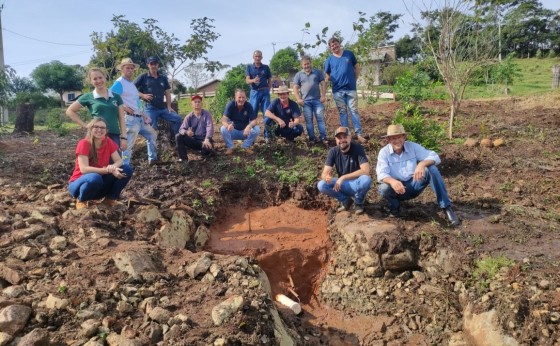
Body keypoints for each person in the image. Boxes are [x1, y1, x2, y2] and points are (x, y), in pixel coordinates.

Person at [376, 124, 460, 226]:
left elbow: (434, 156)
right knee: (384, 187)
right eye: (393, 138)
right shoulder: (384, 153)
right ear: (388, 140)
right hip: (396, 189)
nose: (397, 140)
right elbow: (381, 173)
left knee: (431, 169)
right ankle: (395, 207)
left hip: (413, 184)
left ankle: (446, 208)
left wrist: (422, 164)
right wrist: (392, 181)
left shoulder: (412, 147)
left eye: (399, 137)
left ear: (404, 137)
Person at [68, 117, 133, 209]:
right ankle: (81, 200)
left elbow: (119, 161)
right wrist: (108, 170)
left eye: (102, 128)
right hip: (79, 184)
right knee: (94, 177)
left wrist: (113, 167)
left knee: (126, 169)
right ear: (91, 129)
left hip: (98, 185)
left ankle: (110, 199)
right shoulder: (84, 143)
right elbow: (84, 169)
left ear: (106, 131)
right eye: (96, 127)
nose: (99, 130)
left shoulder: (108, 142)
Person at [109, 58, 158, 166]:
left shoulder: (131, 84)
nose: (130, 70)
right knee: (127, 146)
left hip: (139, 118)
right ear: (122, 69)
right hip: (130, 119)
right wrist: (124, 107)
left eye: (132, 68)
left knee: (152, 134)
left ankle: (153, 159)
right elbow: (110, 98)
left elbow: (136, 101)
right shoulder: (119, 83)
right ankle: (124, 166)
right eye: (127, 68)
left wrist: (144, 114)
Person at [66, 68, 127, 150]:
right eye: (95, 79)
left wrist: (123, 137)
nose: (98, 81)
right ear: (91, 81)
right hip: (97, 135)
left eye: (100, 77)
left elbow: (121, 117)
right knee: (97, 161)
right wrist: (85, 125)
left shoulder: (116, 96)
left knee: (116, 161)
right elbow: (70, 111)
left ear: (105, 78)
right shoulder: (88, 97)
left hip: (114, 135)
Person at [318, 127, 372, 215]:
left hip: (356, 184)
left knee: (366, 180)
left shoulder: (357, 148)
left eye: (345, 137)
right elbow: (324, 173)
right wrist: (326, 177)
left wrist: (343, 177)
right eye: (339, 138)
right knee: (321, 185)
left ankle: (358, 203)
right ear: (336, 140)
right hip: (341, 185)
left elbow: (365, 171)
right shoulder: (333, 151)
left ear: (350, 138)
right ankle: (346, 200)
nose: (342, 140)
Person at [324, 37, 366, 144]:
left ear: (339, 44)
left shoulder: (349, 54)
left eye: (336, 44)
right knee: (343, 113)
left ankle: (359, 134)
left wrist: (355, 79)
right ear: (330, 48)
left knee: (354, 111)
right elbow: (327, 74)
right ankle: (346, 135)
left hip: (351, 89)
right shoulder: (329, 60)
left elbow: (356, 67)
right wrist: (327, 81)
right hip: (337, 90)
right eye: (332, 45)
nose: (334, 46)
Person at [134, 56, 182, 135]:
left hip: (163, 108)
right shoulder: (143, 77)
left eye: (155, 64)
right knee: (151, 131)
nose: (153, 66)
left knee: (177, 119)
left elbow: (167, 92)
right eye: (151, 64)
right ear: (148, 65)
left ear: (158, 65)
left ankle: (176, 139)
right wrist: (142, 95)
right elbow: (131, 87)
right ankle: (153, 145)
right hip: (150, 108)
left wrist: (169, 106)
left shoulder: (163, 78)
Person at [293, 55, 328, 144]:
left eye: (308, 64)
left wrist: (323, 95)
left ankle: (323, 138)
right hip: (306, 102)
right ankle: (312, 139)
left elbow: (323, 83)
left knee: (320, 119)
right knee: (309, 121)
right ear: (302, 65)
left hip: (317, 100)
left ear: (310, 63)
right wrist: (298, 99)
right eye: (304, 64)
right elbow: (295, 88)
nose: (306, 66)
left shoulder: (317, 72)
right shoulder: (298, 75)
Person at [176, 94, 215, 162]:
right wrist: (186, 132)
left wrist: (207, 139)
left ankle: (205, 150)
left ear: (201, 104)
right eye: (195, 102)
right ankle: (183, 159)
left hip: (205, 140)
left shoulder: (206, 114)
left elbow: (210, 127)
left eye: (199, 102)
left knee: (207, 152)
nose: (197, 103)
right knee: (178, 136)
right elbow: (181, 129)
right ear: (192, 104)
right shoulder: (189, 117)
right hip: (195, 141)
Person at [220, 89, 260, 155]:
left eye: (243, 97)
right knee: (223, 129)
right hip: (233, 131)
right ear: (235, 98)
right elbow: (223, 119)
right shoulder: (230, 105)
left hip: (245, 132)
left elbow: (254, 120)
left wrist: (249, 126)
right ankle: (230, 147)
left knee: (257, 129)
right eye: (239, 97)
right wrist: (228, 125)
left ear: (246, 98)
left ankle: (246, 146)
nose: (241, 99)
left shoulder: (248, 106)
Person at [245, 50, 272, 140]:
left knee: (267, 113)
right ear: (253, 57)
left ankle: (267, 136)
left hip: (265, 92)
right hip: (254, 92)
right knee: (253, 114)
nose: (257, 58)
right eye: (256, 56)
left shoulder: (266, 67)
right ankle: (251, 137)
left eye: (259, 56)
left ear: (261, 57)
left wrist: (268, 88)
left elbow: (269, 79)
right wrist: (253, 80)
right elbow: (247, 81)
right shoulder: (249, 67)